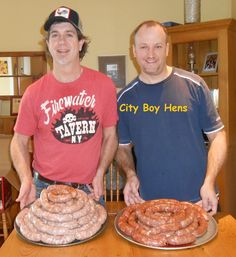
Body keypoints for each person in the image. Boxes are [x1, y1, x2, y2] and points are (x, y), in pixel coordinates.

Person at [10, 6, 118, 209]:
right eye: (55, 35)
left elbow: (111, 135)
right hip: (44, 189)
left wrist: (100, 171)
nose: (61, 42)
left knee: (95, 242)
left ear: (80, 43)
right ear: (48, 44)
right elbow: (18, 141)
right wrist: (26, 179)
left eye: (69, 35)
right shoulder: (33, 93)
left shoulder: (104, 86)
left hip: (89, 189)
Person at [115, 20, 227, 215]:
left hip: (200, 202)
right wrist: (131, 175)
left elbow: (218, 137)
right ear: (134, 50)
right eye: (144, 47)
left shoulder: (194, 85)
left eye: (157, 46)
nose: (151, 54)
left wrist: (209, 181)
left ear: (167, 48)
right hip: (149, 205)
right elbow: (122, 147)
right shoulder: (124, 99)